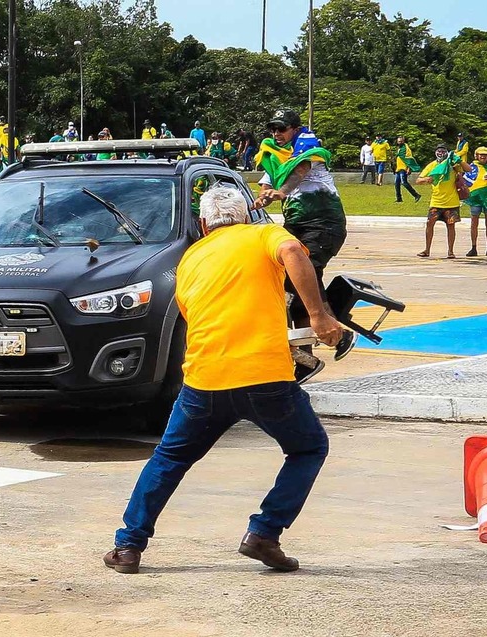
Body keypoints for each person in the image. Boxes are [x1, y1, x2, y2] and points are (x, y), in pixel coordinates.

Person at [103, 188, 339, 575]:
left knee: (170, 457)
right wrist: (318, 315)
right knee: (308, 448)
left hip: (204, 380)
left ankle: (128, 546)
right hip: (264, 377)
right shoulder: (263, 235)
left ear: (202, 224)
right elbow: (295, 253)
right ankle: (264, 532)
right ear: (245, 216)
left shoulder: (190, 259)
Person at [254, 108, 347, 378]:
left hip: (323, 224)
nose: (276, 134)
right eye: (273, 129)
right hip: (296, 225)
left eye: (281, 129)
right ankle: (306, 359)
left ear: (294, 129)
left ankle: (340, 334)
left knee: (302, 274)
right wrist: (263, 196)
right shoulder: (272, 154)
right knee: (290, 288)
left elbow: (300, 170)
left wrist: (281, 192)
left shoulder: (309, 146)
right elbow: (267, 181)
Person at [415, 143, 472, 259]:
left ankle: (451, 251)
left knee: (451, 226)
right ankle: (427, 249)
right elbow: (418, 180)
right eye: (439, 151)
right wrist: (427, 179)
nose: (441, 153)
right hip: (436, 201)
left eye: (443, 151)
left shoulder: (453, 164)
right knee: (429, 224)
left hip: (452, 202)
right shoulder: (432, 165)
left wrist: (459, 160)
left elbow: (468, 169)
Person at [463, 146, 487, 257]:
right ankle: (473, 247)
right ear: (476, 155)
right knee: (473, 223)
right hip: (475, 198)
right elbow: (466, 181)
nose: (483, 157)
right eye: (481, 155)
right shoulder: (471, 166)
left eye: (485, 155)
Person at [393, 135, 421, 204]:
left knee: (404, 183)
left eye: (400, 141)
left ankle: (416, 195)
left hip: (403, 168)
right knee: (397, 184)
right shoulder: (399, 148)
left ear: (403, 141)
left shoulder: (406, 148)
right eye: (398, 141)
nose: (399, 142)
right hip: (398, 168)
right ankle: (399, 198)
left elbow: (409, 158)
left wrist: (409, 168)